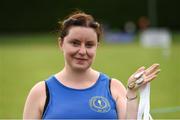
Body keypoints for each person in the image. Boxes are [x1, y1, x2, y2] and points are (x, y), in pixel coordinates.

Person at [23, 11, 160, 119]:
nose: (82, 51)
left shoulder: (113, 87)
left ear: (97, 47)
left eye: (89, 45)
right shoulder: (41, 92)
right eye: (75, 43)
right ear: (61, 43)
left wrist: (131, 92)